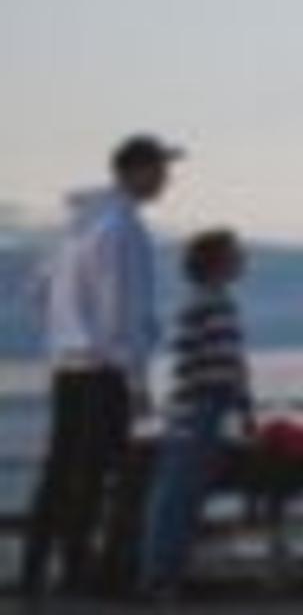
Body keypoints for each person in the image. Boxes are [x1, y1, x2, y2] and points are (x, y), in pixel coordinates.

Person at [21, 134, 176, 601]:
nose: (165, 179)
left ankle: (36, 572)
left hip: (68, 367)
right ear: (135, 172)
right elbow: (121, 311)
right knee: (99, 478)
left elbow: (37, 291)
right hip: (103, 370)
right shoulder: (122, 229)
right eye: (159, 169)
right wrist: (135, 379)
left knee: (59, 472)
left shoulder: (77, 227)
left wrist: (65, 335)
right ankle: (81, 578)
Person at [136, 230, 254, 601]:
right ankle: (160, 578)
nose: (243, 259)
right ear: (218, 261)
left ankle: (160, 574)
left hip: (192, 406)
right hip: (203, 406)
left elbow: (213, 360)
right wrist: (241, 403)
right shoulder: (213, 303)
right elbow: (223, 365)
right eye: (236, 253)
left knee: (177, 494)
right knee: (180, 495)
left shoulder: (201, 301)